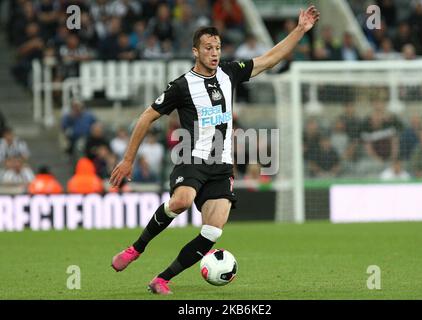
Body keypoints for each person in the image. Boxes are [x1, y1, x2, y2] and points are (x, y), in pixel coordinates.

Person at [109, 6, 320, 295]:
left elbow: (270, 59)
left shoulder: (230, 73)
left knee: (213, 230)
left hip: (221, 165)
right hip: (192, 158)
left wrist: (300, 30)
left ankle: (162, 279)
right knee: (181, 201)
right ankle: (136, 248)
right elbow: (147, 116)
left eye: (218, 47)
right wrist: (128, 160)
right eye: (208, 47)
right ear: (196, 51)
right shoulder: (181, 86)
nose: (215, 52)